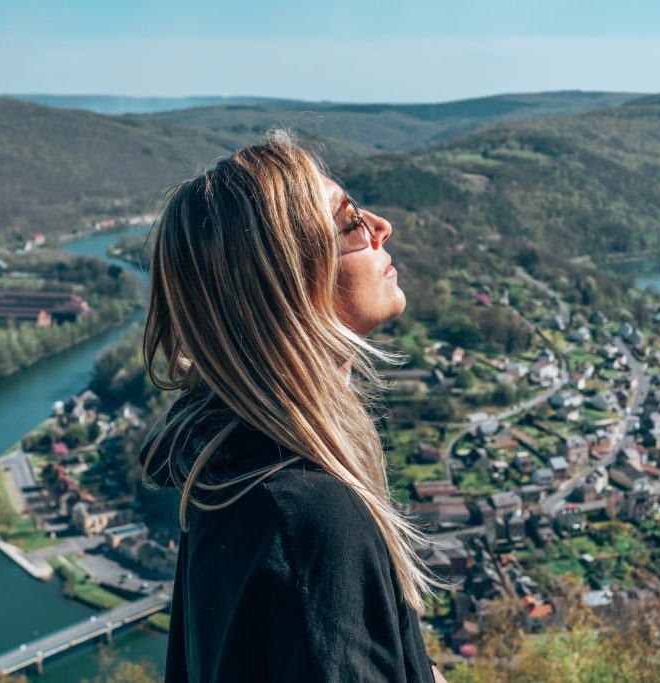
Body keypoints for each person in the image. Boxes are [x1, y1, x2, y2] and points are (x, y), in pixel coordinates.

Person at [139, 131, 451, 682]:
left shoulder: (227, 478)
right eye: (352, 224)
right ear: (291, 282)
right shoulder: (311, 522)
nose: (381, 227)